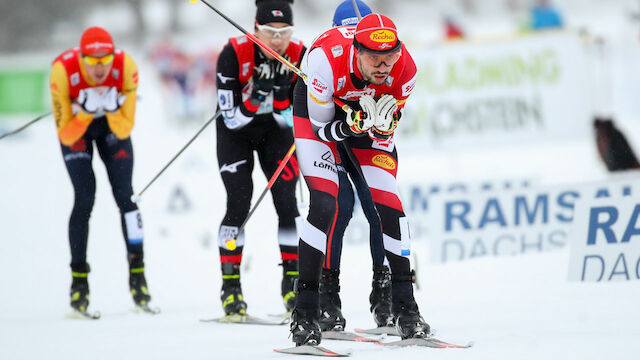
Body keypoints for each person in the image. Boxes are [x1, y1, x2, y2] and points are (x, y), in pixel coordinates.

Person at [290, 13, 429, 345]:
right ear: (357, 51)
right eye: (374, 59)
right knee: (325, 203)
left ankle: (406, 308)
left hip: (365, 118)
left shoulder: (405, 70)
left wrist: (382, 126)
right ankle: (305, 314)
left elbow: (387, 128)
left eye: (389, 58)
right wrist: (349, 125)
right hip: (320, 116)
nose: (383, 67)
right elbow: (323, 128)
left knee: (390, 207)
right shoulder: (325, 60)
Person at [50, 26, 153, 314]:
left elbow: (125, 126)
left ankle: (138, 276)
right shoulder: (62, 70)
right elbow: (67, 134)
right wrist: (84, 111)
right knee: (84, 198)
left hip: (111, 127)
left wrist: (109, 109)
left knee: (126, 198)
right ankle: (79, 281)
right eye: (92, 62)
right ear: (81, 58)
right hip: (77, 130)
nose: (99, 68)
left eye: (104, 60)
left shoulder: (125, 67)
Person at [214, 0, 306, 316]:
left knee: (287, 202)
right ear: (256, 29)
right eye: (270, 32)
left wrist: (281, 95)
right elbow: (230, 119)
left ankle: (291, 284)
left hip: (275, 133)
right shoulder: (233, 53)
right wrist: (256, 95)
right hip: (236, 134)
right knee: (239, 202)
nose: (278, 40)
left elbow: (294, 119)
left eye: (285, 32)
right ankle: (231, 288)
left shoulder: (298, 54)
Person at [318, 0, 394, 333]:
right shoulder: (327, 55)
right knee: (339, 208)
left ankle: (384, 294)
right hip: (330, 138)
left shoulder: (383, 60)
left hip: (364, 138)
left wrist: (384, 122)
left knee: (378, 206)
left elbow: (391, 114)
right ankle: (327, 298)